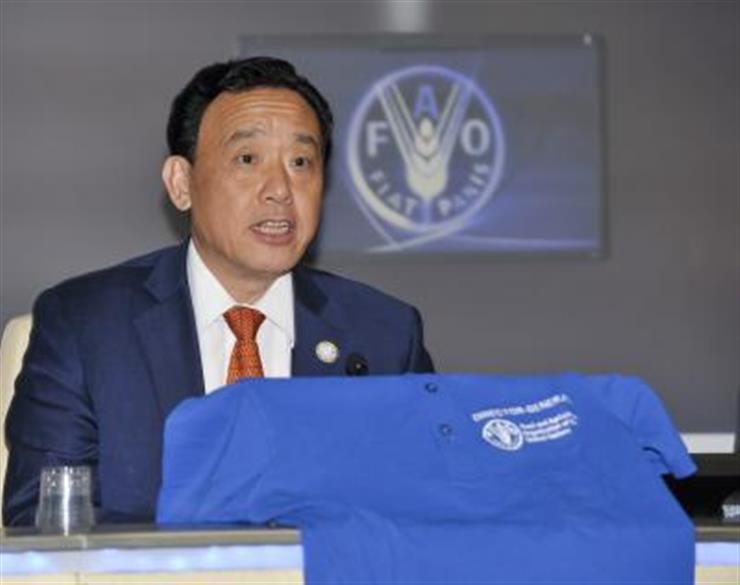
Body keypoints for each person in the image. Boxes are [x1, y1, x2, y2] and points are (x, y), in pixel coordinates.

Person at [3, 57, 434, 526]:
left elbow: (428, 515)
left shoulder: (383, 336)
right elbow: (44, 523)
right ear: (181, 184)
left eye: (301, 162)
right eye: (248, 159)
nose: (280, 190)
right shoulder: (87, 327)